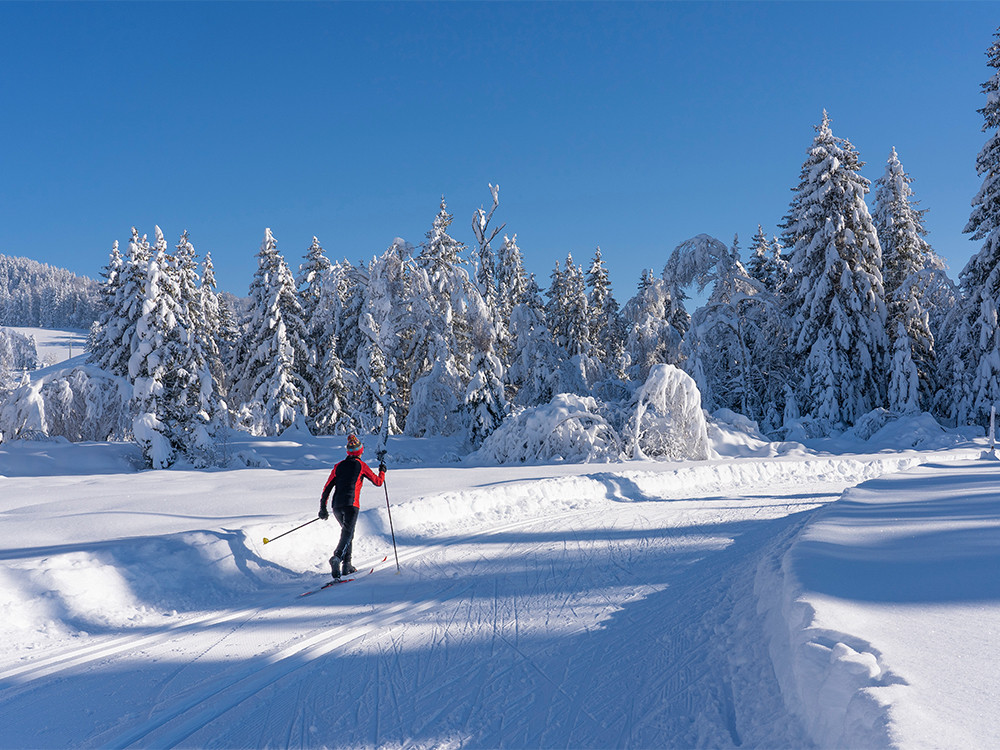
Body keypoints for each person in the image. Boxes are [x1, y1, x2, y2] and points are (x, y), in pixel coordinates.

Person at [318, 434, 386, 579]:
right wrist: (382, 471)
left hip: (336, 506)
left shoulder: (338, 466)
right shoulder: (361, 465)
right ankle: (337, 557)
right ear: (360, 451)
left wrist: (323, 508)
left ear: (348, 452)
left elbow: (327, 488)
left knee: (347, 533)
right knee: (348, 533)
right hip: (351, 504)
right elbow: (378, 482)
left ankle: (347, 565)